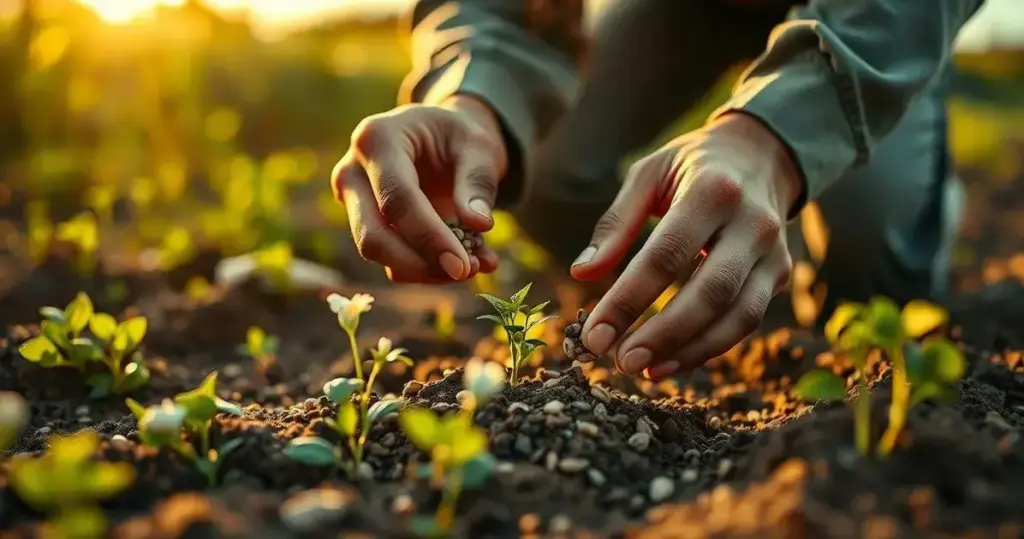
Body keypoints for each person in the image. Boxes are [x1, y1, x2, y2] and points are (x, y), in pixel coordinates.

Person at [331, 0, 984, 379]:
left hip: (873, 15)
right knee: (538, 162)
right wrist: (472, 96)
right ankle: (703, 270)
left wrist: (770, 142)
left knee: (871, 280)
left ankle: (920, 197)